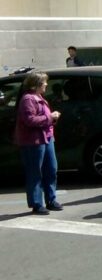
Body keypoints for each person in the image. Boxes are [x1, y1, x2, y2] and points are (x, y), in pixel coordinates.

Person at [16, 72, 62, 214]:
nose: (46, 84)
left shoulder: (39, 97)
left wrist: (51, 118)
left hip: (47, 138)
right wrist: (50, 117)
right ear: (35, 84)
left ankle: (51, 200)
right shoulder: (28, 99)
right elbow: (30, 120)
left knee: (51, 169)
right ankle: (37, 204)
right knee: (35, 172)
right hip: (33, 141)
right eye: (44, 82)